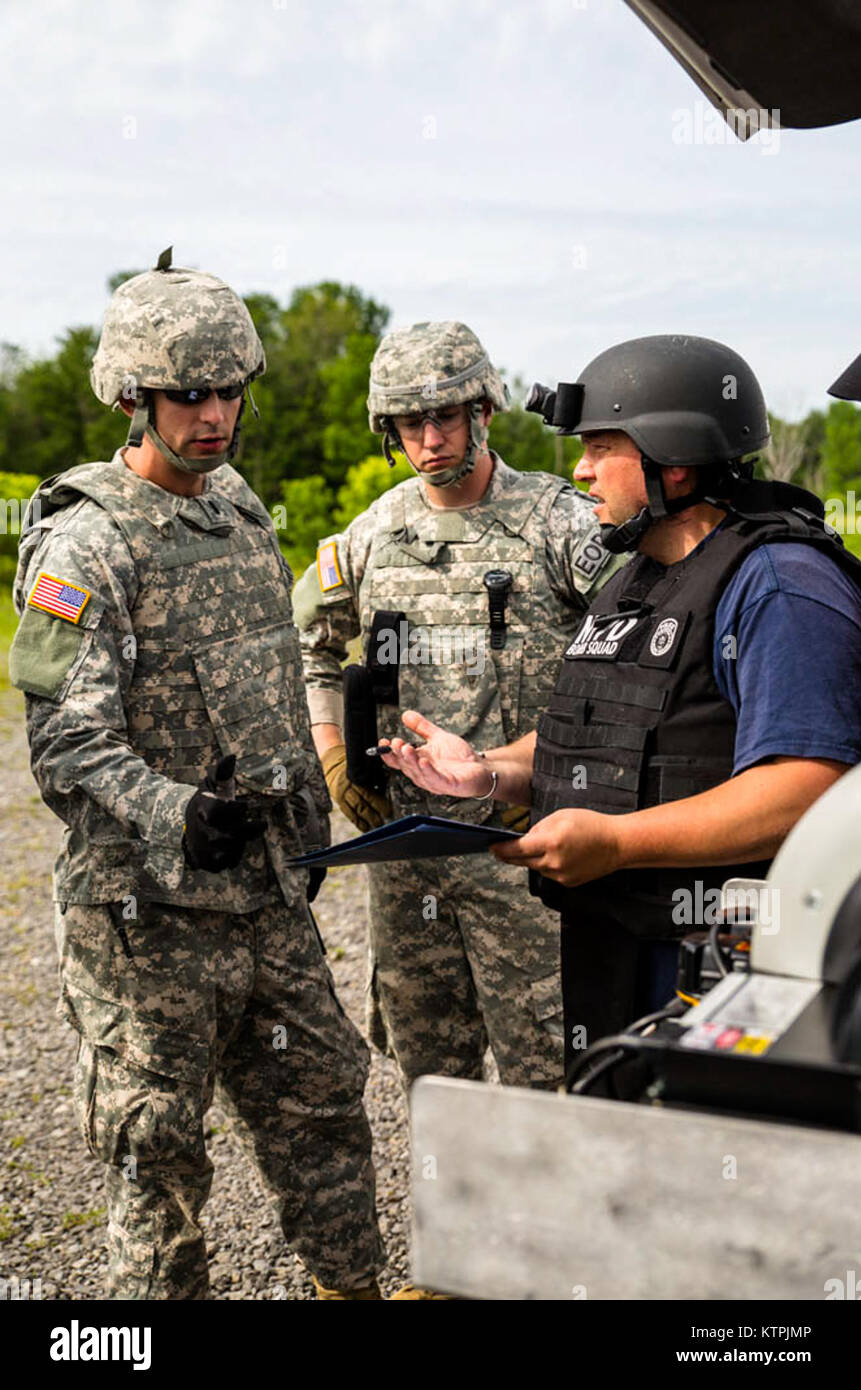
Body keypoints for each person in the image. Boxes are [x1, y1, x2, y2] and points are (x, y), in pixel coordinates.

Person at [9, 250, 385, 1300]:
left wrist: (310, 810)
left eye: (231, 390)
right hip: (146, 918)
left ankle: (349, 1289)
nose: (215, 414)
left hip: (265, 895)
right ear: (134, 394)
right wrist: (175, 810)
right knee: (157, 1160)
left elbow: (271, 676)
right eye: (190, 394)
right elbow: (69, 746)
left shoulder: (239, 509)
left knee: (327, 1110)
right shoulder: (83, 548)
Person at [377, 334, 861, 1074]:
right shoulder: (637, 578)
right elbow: (606, 728)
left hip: (716, 970)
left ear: (674, 458)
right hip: (615, 951)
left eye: (602, 448)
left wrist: (616, 843)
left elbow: (807, 790)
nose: (579, 470)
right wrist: (488, 772)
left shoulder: (779, 584)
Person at [293, 320, 616, 1091]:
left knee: (550, 1073)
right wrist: (334, 756)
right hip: (409, 857)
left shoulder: (557, 522)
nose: (430, 437)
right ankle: (451, 1210)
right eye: (411, 422)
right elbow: (308, 648)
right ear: (390, 432)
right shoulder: (370, 536)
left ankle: (549, 1214)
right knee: (431, 1076)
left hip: (528, 849)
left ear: (483, 412)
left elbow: (634, 653)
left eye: (446, 416)